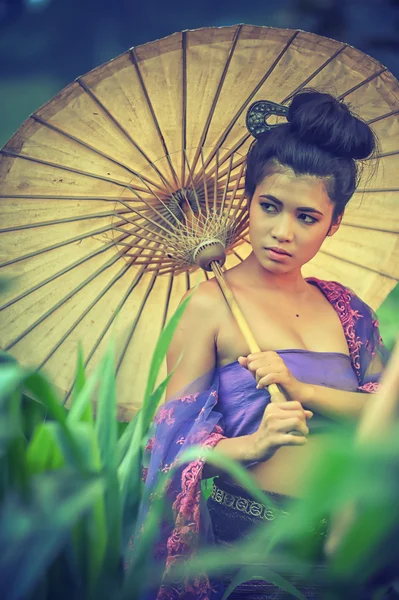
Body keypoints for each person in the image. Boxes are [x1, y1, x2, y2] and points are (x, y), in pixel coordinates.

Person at [129, 89, 389, 599]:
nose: (282, 232)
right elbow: (170, 443)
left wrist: (304, 392)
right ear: (247, 203)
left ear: (333, 224)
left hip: (337, 540)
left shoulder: (347, 309)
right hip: (244, 537)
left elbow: (386, 414)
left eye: (307, 217)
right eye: (269, 207)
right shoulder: (212, 303)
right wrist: (254, 444)